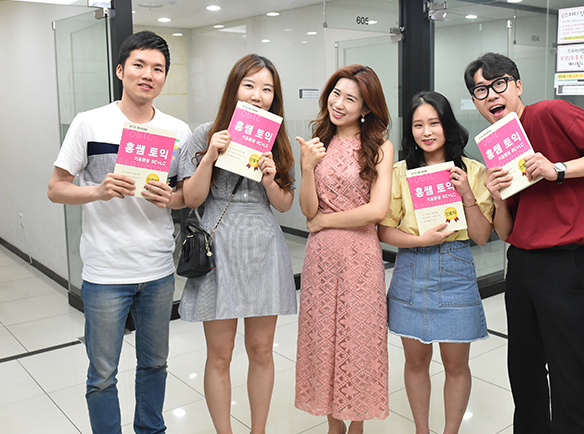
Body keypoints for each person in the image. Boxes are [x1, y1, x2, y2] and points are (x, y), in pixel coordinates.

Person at [464, 52, 584, 434]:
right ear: (475, 102)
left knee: (569, 372)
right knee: (523, 371)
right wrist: (495, 197)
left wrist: (557, 169)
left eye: (499, 83)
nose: (491, 95)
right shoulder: (498, 147)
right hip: (521, 265)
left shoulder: (550, 112)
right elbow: (506, 231)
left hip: (565, 264)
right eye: (480, 90)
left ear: (518, 85)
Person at [47, 31, 192, 434]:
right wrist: (97, 190)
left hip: (158, 269)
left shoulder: (177, 131)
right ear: (120, 70)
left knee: (155, 364)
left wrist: (171, 198)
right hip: (105, 270)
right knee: (102, 375)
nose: (148, 75)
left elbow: (184, 195)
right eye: (139, 65)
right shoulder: (89, 122)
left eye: (158, 69)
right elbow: (56, 188)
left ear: (165, 77)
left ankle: (151, 430)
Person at [177, 54, 296, 434]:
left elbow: (284, 205)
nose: (258, 96)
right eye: (249, 86)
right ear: (234, 89)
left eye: (267, 89)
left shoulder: (277, 140)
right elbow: (192, 199)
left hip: (263, 247)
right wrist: (210, 156)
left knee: (261, 350)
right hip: (219, 246)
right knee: (220, 354)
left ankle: (258, 430)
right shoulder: (204, 134)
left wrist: (270, 180)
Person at [378, 91, 493, 434]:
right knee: (415, 363)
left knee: (456, 366)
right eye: (418, 125)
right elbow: (383, 230)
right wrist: (419, 240)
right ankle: (422, 430)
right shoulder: (399, 173)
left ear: (448, 125)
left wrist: (467, 194)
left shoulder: (473, 171)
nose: (426, 132)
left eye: (434, 123)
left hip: (456, 268)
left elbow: (482, 236)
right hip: (411, 267)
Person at [295, 65, 394, 434]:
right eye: (336, 94)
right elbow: (308, 211)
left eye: (351, 99)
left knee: (360, 340)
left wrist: (325, 221)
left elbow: (376, 211)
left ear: (366, 108)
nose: (339, 103)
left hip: (360, 257)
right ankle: (333, 424)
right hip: (321, 258)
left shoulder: (380, 148)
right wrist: (308, 168)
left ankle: (358, 425)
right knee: (323, 339)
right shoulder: (318, 142)